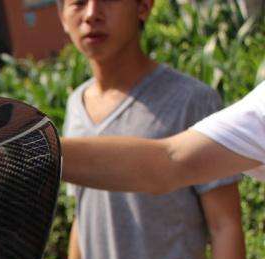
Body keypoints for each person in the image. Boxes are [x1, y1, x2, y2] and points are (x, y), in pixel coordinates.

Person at [58, 0, 247, 259]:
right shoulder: (75, 104)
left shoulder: (190, 100)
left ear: (143, 6)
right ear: (62, 17)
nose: (91, 14)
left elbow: (226, 225)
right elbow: (84, 213)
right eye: (76, 2)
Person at [61, 81, 265, 192]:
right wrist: (45, 148)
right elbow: (168, 160)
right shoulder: (76, 101)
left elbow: (167, 162)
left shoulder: (193, 96)